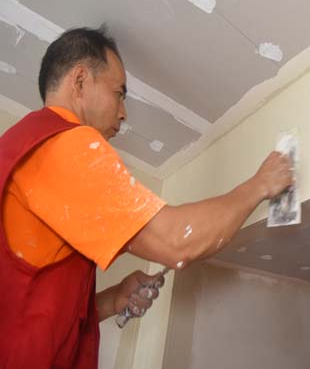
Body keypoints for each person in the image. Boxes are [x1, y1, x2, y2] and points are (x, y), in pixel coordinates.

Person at [0, 26, 293, 368]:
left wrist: (113, 299)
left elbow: (35, 310)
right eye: (119, 93)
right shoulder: (63, 145)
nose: (123, 113)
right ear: (79, 81)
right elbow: (177, 241)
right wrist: (259, 185)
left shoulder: (23, 150)